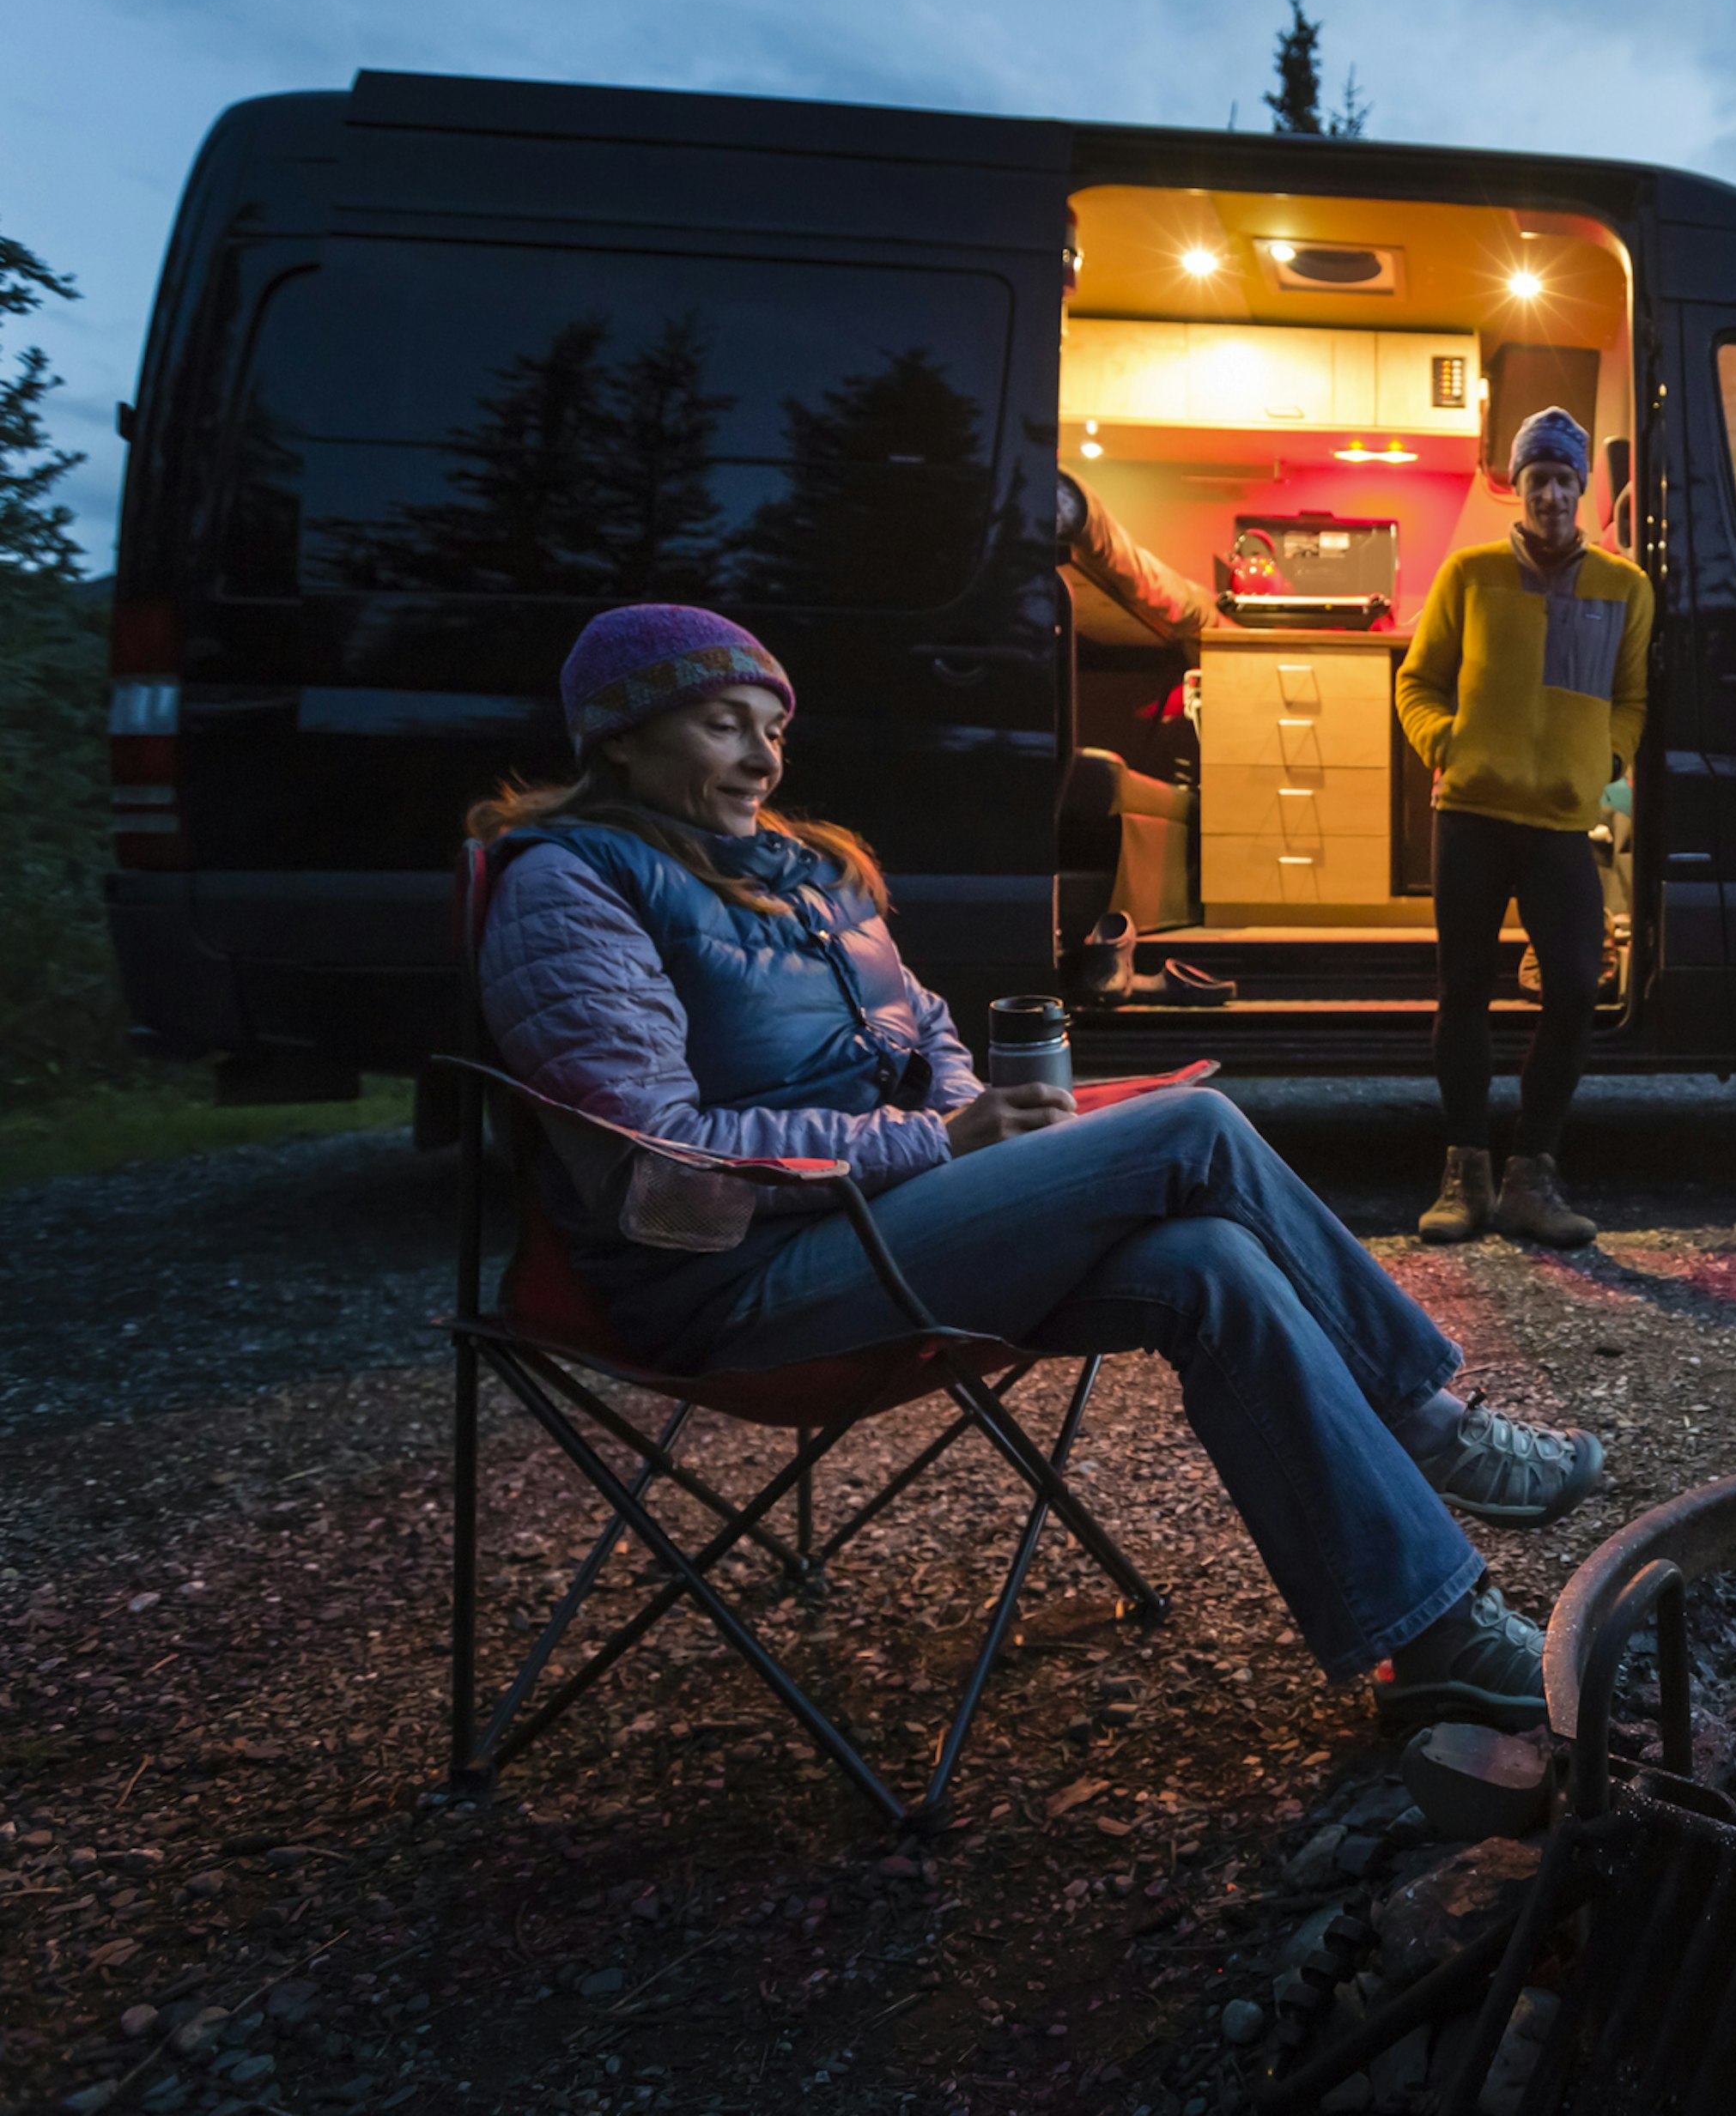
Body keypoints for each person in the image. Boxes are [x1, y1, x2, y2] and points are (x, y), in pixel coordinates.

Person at [469, 603, 1604, 1729]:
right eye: (724, 725)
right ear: (618, 736)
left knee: (1212, 1261)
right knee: (1193, 1128)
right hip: (730, 1278)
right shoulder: (572, 884)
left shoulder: (813, 872)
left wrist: (980, 1124)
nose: (763, 757)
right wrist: (937, 1145)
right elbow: (652, 1156)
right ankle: (1429, 1425)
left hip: (891, 1230)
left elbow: (930, 1035)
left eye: (773, 729)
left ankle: (1437, 1639)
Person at [1393, 407, 1651, 1247]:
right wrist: (1448, 743)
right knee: (1464, 991)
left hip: (1561, 823)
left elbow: (1633, 697)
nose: (1549, 494)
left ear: (1580, 489)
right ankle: (1463, 1174)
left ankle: (1531, 1177)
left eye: (1563, 480)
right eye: (1535, 479)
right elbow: (1417, 683)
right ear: (1519, 485)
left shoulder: (1625, 587)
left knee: (1576, 984)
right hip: (1469, 813)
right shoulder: (1468, 574)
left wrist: (1607, 762)